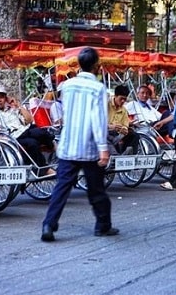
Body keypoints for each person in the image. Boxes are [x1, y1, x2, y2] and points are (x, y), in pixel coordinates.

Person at [41, 47, 118, 242]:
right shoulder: (98, 88)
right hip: (89, 146)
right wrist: (103, 148)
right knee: (96, 189)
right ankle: (103, 225)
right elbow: (98, 119)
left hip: (68, 144)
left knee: (62, 187)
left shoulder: (67, 86)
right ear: (96, 65)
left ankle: (49, 224)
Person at [0, 84, 56, 176]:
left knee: (41, 132)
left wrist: (18, 105)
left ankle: (53, 148)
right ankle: (44, 169)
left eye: (1, 97)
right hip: (13, 137)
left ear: (5, 98)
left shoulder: (12, 108)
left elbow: (29, 120)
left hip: (25, 130)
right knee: (32, 143)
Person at [108, 84, 139, 154]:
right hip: (107, 132)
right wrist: (111, 127)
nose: (123, 101)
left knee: (134, 135)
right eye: (121, 98)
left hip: (118, 134)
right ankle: (117, 155)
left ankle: (128, 155)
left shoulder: (124, 110)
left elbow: (125, 124)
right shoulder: (106, 105)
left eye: (124, 99)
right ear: (115, 96)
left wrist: (124, 129)